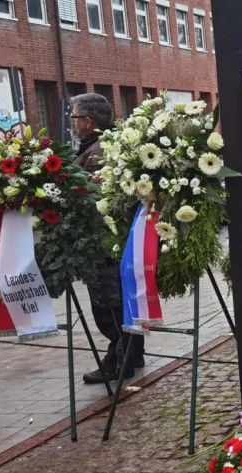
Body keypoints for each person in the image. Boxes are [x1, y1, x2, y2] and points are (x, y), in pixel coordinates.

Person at [70, 93, 145, 384]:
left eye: (74, 118)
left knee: (108, 306)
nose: (72, 123)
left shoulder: (99, 151)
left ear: (88, 122)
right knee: (118, 301)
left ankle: (118, 361)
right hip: (109, 243)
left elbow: (94, 199)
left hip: (102, 243)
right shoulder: (97, 145)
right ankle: (133, 354)